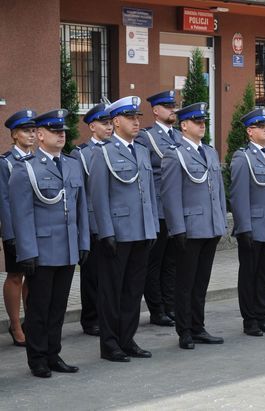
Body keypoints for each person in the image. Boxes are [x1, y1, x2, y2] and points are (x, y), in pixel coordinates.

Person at [9, 109, 89, 378]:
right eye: (55, 131)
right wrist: (27, 252)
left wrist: (83, 242)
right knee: (39, 309)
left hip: (66, 249)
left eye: (63, 131)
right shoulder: (26, 168)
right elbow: (21, 215)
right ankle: (37, 358)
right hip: (42, 251)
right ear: (40, 135)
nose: (61, 135)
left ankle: (54, 354)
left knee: (58, 307)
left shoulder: (71, 164)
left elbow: (80, 208)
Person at [90, 96, 159, 362]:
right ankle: (109, 344)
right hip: (117, 232)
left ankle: (127, 339)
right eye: (130, 118)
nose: (136, 122)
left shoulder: (141, 151)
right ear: (116, 121)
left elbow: (150, 194)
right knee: (112, 291)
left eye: (138, 118)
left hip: (141, 231)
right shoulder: (103, 152)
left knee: (133, 290)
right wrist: (105, 232)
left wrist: (151, 227)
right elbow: (98, 196)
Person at [161, 102, 226, 349]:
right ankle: (185, 331)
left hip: (210, 226)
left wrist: (220, 221)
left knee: (201, 283)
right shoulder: (174, 153)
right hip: (189, 228)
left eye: (204, 121)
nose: (202, 125)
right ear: (184, 125)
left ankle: (199, 327)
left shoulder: (210, 152)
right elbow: (170, 195)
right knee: (185, 283)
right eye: (197, 122)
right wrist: (177, 228)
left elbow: (218, 191)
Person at [230, 108, 265, 337]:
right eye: (261, 127)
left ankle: (262, 316)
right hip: (253, 227)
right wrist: (243, 227)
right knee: (249, 275)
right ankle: (249, 320)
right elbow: (238, 195)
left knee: (264, 275)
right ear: (250, 131)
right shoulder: (242, 157)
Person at [137, 90, 181, 327]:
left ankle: (170, 305)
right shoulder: (146, 137)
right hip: (159, 207)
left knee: (172, 262)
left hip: (177, 209)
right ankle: (157, 309)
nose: (172, 109)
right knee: (155, 262)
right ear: (156, 111)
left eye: (173, 105)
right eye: (167, 106)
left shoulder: (179, 136)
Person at [70, 103, 113, 336]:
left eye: (110, 123)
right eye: (104, 124)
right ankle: (91, 319)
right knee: (92, 276)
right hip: (92, 222)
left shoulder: (117, 150)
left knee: (110, 274)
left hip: (114, 221)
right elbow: (80, 193)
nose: (108, 128)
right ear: (91, 126)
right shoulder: (81, 154)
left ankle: (107, 314)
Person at [1, 109, 36, 347]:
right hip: (16, 228)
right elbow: (3, 200)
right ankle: (15, 325)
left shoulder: (37, 159)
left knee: (34, 276)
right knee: (15, 276)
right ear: (14, 134)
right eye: (26, 131)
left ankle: (31, 322)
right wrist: (10, 234)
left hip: (36, 228)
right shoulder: (6, 163)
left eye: (34, 130)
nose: (32, 135)